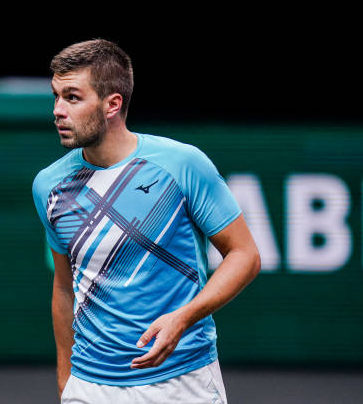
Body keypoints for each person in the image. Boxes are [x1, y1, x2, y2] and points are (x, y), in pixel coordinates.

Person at [32, 39, 261, 404]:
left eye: (72, 97)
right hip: (89, 386)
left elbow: (245, 255)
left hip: (182, 380)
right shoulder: (49, 185)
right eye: (56, 96)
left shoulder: (182, 165)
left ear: (113, 104)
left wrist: (185, 317)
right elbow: (63, 288)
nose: (58, 110)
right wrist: (66, 380)